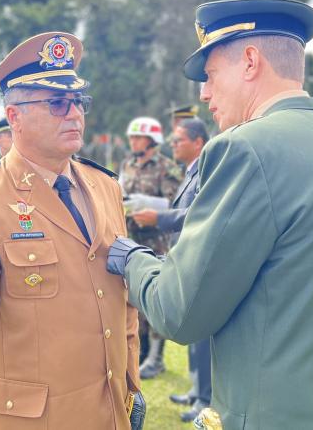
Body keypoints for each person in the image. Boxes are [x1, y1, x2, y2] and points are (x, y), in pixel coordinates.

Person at [107, 0, 313, 429]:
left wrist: (131, 259)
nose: (204, 93)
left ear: (249, 61)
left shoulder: (245, 148)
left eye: (209, 76)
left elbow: (179, 311)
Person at [0, 32, 144, 430]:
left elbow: (121, 304)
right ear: (14, 117)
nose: (73, 114)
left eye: (78, 102)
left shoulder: (105, 186)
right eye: (56, 103)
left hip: (107, 412)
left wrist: (130, 386)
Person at [131, 118, 212, 422]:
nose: (173, 144)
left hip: (195, 258)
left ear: (198, 142)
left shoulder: (205, 170)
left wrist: (160, 218)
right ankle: (196, 390)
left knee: (200, 332)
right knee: (193, 335)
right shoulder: (190, 171)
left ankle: (205, 397)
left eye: (179, 140)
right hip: (181, 254)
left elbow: (199, 213)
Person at [119, 115, 182, 378]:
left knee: (154, 296)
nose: (133, 142)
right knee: (133, 297)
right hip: (132, 238)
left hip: (156, 241)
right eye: (132, 137)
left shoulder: (167, 167)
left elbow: (174, 204)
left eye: (138, 137)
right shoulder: (128, 165)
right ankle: (142, 353)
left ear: (152, 140)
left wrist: (145, 202)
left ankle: (156, 358)